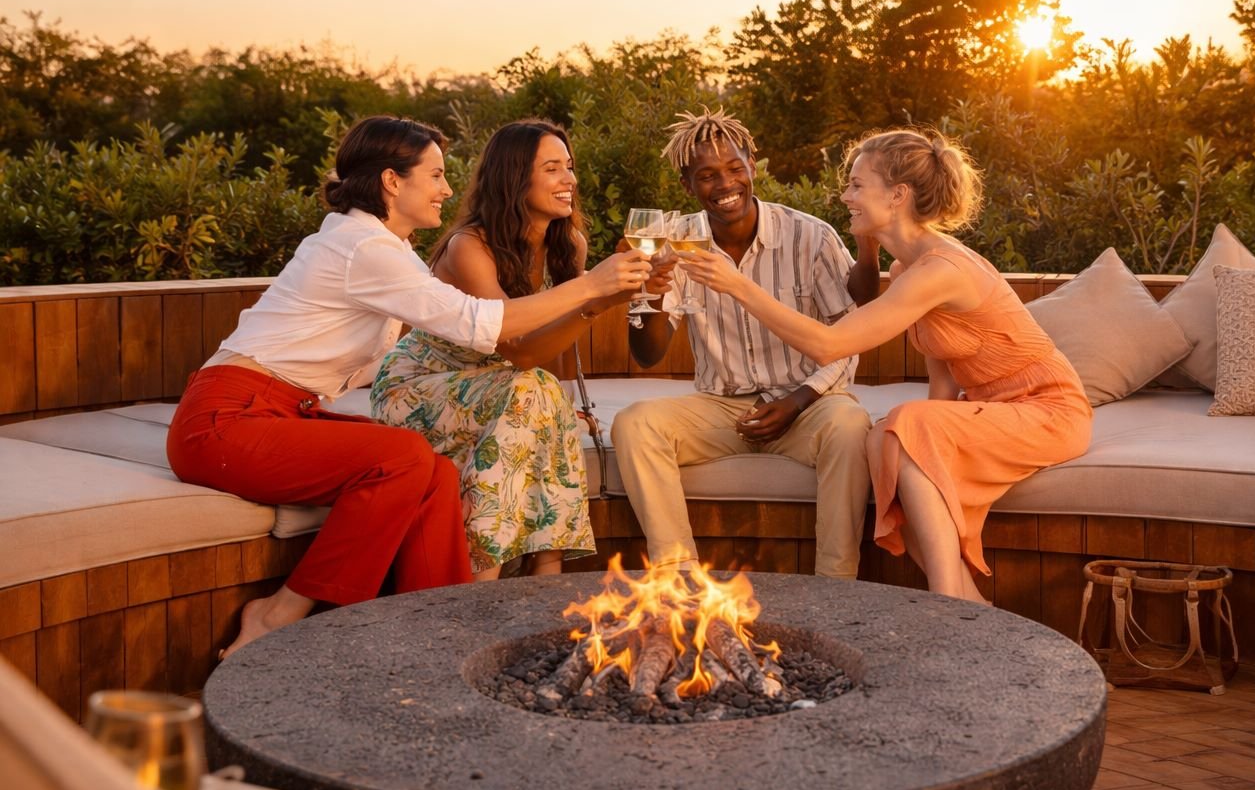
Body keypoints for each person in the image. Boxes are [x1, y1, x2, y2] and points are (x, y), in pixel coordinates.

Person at [166, 116, 652, 656]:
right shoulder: (363, 248)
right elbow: (483, 323)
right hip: (225, 420)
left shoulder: (387, 250)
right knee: (403, 457)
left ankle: (440, 628)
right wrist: (593, 286)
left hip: (283, 412)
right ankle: (278, 611)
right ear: (392, 182)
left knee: (436, 474)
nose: (447, 189)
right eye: (436, 175)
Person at [675, 128, 1092, 601]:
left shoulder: (942, 270)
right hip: (991, 408)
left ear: (897, 196)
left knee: (905, 425)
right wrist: (868, 243)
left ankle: (944, 603)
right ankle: (971, 604)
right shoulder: (905, 268)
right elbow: (945, 370)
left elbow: (831, 345)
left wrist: (738, 286)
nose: (845, 195)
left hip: (1048, 410)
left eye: (856, 185)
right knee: (886, 438)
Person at [611, 109, 874, 577]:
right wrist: (648, 295)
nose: (725, 183)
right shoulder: (673, 242)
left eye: (734, 168)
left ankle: (837, 585)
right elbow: (647, 355)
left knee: (851, 425)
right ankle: (679, 579)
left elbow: (848, 337)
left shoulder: (810, 236)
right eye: (707, 176)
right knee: (635, 423)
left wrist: (797, 400)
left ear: (753, 165)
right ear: (688, 185)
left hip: (807, 402)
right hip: (722, 407)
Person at [372, 120, 626, 580]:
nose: (569, 180)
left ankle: (541, 585)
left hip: (499, 390)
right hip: (418, 390)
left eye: (569, 167)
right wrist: (594, 296)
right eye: (553, 169)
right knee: (535, 392)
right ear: (514, 177)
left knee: (541, 396)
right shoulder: (469, 247)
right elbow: (520, 352)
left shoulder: (569, 245)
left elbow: (545, 353)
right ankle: (485, 579)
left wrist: (608, 299)